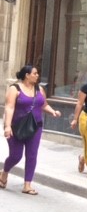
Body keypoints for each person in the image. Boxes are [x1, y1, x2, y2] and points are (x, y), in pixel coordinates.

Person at [1, 65, 62, 195]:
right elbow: (9, 107)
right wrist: (7, 126)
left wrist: (53, 112)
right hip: (16, 127)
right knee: (15, 155)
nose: (37, 75)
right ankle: (4, 172)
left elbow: (44, 104)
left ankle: (27, 185)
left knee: (32, 155)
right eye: (34, 73)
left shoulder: (39, 89)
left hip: (35, 127)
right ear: (27, 75)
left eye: (37, 73)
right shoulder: (14, 89)